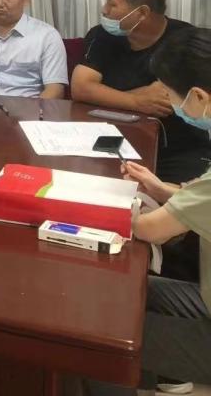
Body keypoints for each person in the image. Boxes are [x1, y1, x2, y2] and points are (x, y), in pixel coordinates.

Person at [82, 27, 211, 396]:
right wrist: (159, 187)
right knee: (127, 288)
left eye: (170, 95)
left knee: (100, 336)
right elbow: (200, 200)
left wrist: (89, 200)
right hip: (205, 296)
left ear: (199, 96)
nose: (170, 104)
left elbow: (149, 229)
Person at [71, 0, 210, 184]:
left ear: (142, 13)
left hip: (178, 148)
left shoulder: (183, 42)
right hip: (113, 141)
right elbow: (81, 88)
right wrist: (136, 100)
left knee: (177, 199)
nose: (104, 9)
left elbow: (167, 101)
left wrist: (106, 94)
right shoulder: (102, 35)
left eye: (112, 4)